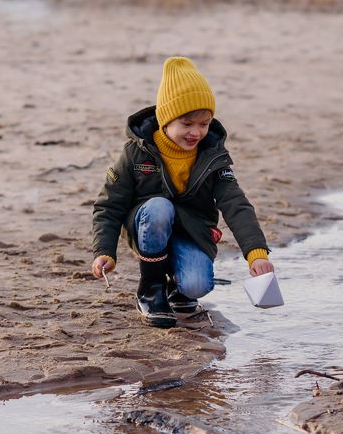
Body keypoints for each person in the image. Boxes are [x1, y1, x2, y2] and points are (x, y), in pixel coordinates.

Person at [91, 56, 274, 328]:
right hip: (148, 224)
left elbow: (236, 204)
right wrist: (105, 251)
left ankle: (178, 288)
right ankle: (151, 290)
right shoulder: (136, 152)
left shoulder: (213, 156)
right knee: (159, 207)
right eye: (186, 124)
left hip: (192, 232)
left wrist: (256, 252)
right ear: (166, 119)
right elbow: (109, 205)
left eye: (204, 124)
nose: (196, 132)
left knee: (198, 285)